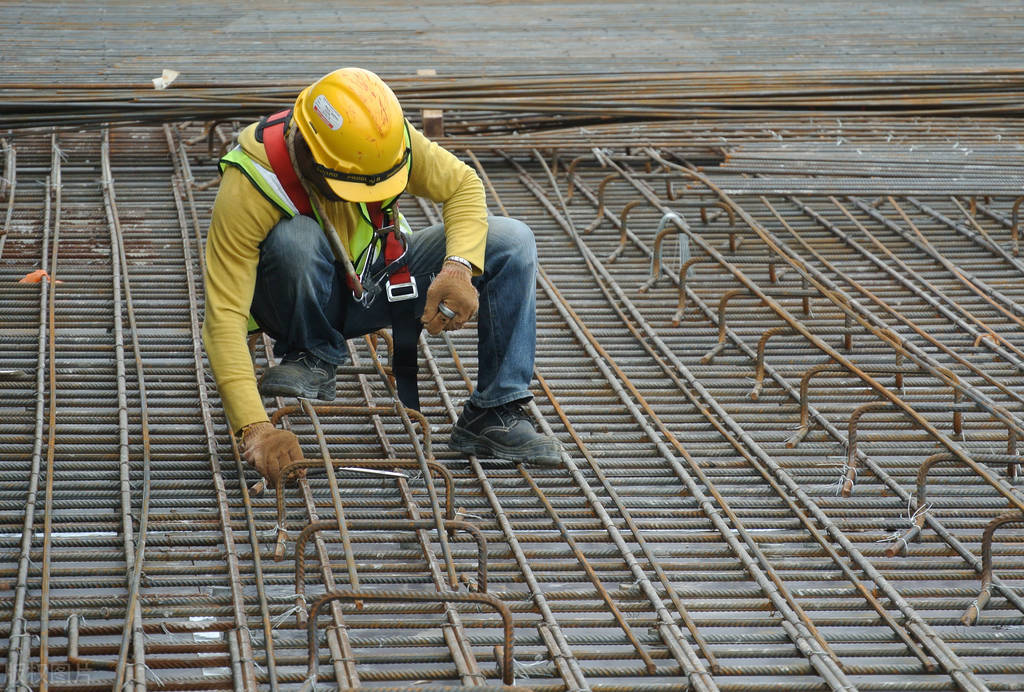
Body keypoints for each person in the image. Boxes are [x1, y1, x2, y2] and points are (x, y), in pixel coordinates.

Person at [202, 67, 561, 487]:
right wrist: (254, 428)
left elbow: (463, 184)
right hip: (297, 302)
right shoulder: (251, 178)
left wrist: (458, 266)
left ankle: (493, 413)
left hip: (379, 279)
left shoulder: (382, 140)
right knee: (294, 238)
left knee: (513, 241)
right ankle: (311, 353)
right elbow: (223, 316)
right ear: (316, 161)